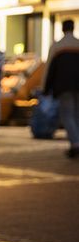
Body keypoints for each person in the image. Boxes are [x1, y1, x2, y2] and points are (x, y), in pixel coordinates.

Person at [43, 19, 79, 158]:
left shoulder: (57, 46)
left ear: (62, 29)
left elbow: (49, 69)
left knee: (68, 114)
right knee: (77, 114)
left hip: (64, 86)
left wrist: (45, 88)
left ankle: (75, 143)